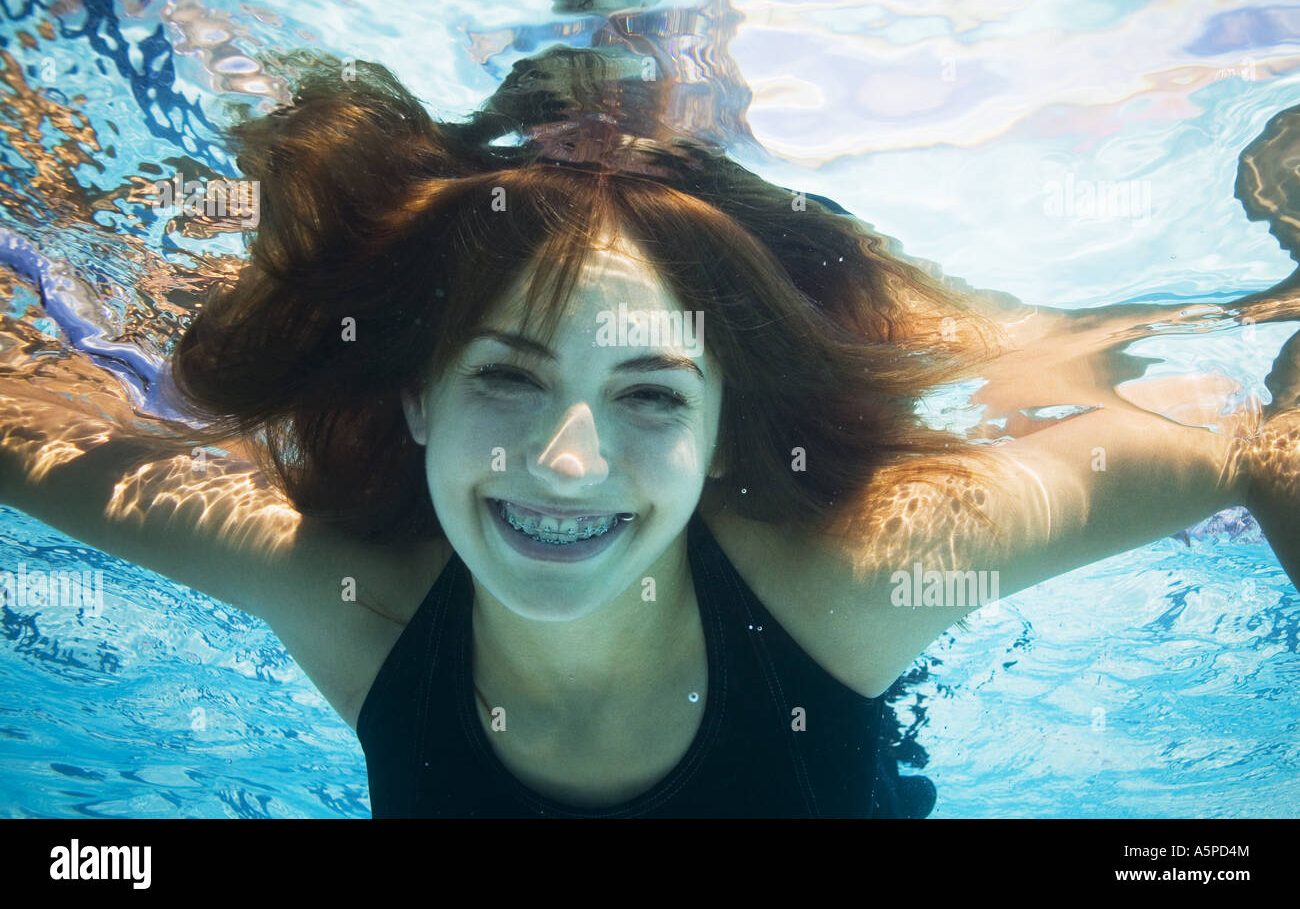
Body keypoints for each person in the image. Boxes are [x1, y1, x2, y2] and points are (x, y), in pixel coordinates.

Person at [1, 45, 1296, 818]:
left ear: (723, 431)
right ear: (415, 393)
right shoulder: (350, 597)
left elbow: (1242, 445)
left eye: (652, 395)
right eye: (506, 379)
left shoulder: (849, 584)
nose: (569, 463)